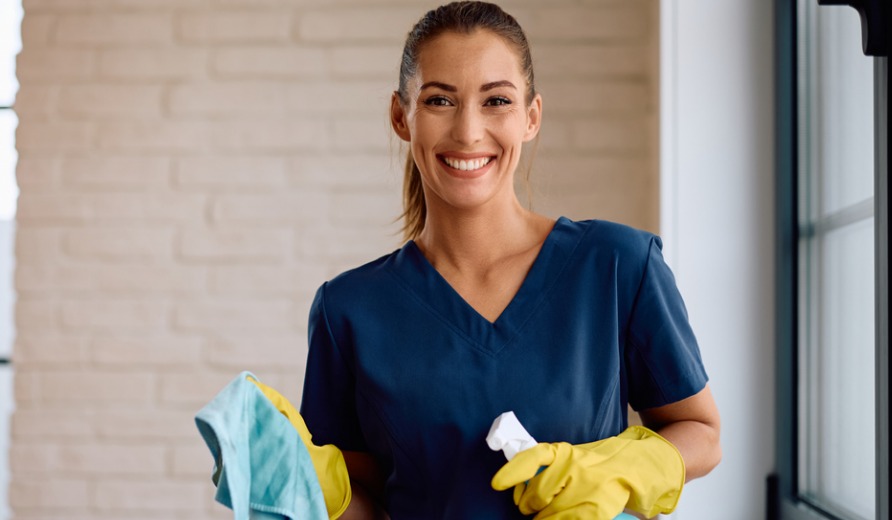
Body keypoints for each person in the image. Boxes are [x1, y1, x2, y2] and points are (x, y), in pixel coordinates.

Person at [282, 2, 721, 519]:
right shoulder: (348, 310)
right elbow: (364, 498)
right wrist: (303, 489)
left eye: (496, 101)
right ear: (402, 117)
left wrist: (630, 465)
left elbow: (703, 433)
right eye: (440, 100)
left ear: (531, 117)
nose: (468, 131)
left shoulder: (619, 266)